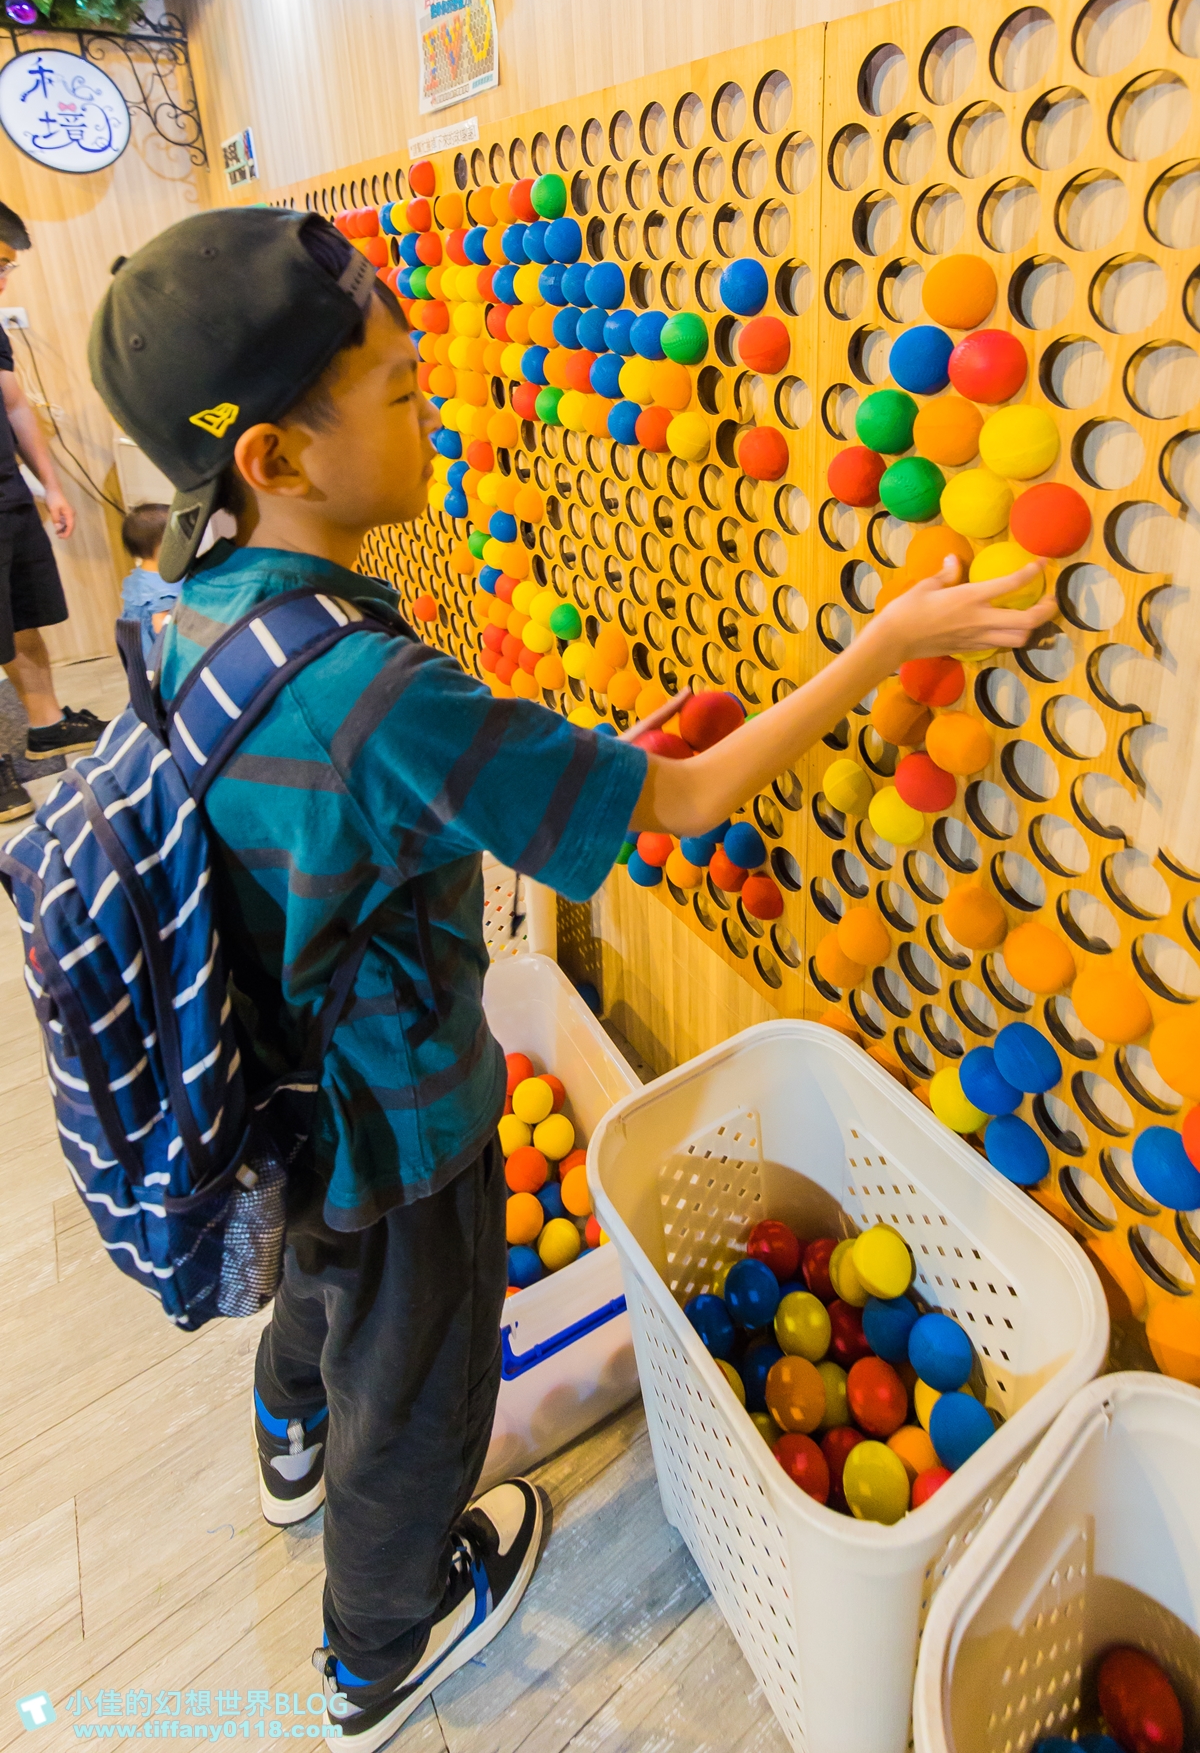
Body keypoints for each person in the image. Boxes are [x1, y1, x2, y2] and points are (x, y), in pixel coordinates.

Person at [88, 209, 1055, 1751]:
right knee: (418, 1384)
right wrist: (890, 641)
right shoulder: (373, 688)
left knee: (322, 1293)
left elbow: (368, 790)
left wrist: (572, 758)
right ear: (276, 454)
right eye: (404, 391)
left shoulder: (190, 599)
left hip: (277, 1090)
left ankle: (287, 1435)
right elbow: (673, 807)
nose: (436, 404)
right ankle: (375, 1650)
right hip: (402, 1121)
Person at [0, 202, 107, 824]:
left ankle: (46, 726)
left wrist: (52, 484)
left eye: (10, 267)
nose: (5, 279)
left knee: (23, 617)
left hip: (7, 495)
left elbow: (14, 404)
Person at [118, 500, 179, 665]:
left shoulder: (139, 575)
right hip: (155, 655)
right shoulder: (164, 584)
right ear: (162, 547)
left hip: (136, 649)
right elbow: (162, 628)